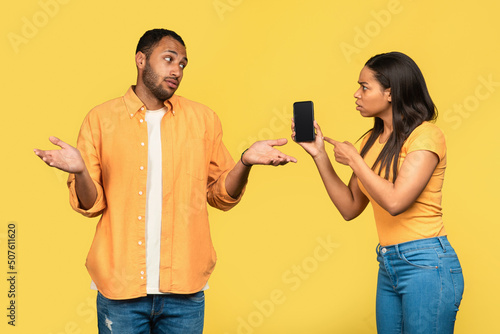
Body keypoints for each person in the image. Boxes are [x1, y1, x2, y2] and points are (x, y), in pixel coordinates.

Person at [34, 28, 296, 334]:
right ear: (141, 60)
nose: (177, 70)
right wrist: (79, 171)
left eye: (183, 64)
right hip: (120, 289)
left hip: (184, 290)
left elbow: (221, 196)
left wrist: (245, 162)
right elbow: (90, 205)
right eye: (169, 59)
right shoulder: (100, 120)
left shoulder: (203, 120)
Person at [293, 52, 464, 333]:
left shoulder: (427, 135)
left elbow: (396, 202)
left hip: (426, 264)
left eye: (364, 86)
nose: (356, 94)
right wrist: (319, 155)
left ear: (390, 93)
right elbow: (350, 208)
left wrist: (356, 161)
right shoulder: (370, 141)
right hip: (388, 263)